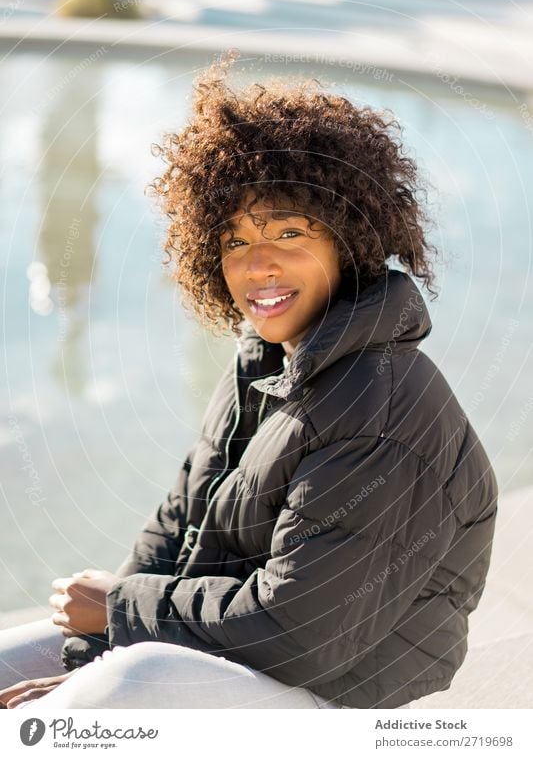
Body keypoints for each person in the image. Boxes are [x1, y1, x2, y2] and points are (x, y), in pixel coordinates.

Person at [0, 53, 498, 710]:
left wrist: (119, 612)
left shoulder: (382, 404)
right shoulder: (261, 364)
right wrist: (88, 653)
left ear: (349, 242)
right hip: (221, 654)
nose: (257, 264)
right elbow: (170, 535)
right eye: (233, 241)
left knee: (124, 687)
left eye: (288, 232)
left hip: (341, 699)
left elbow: (300, 634)